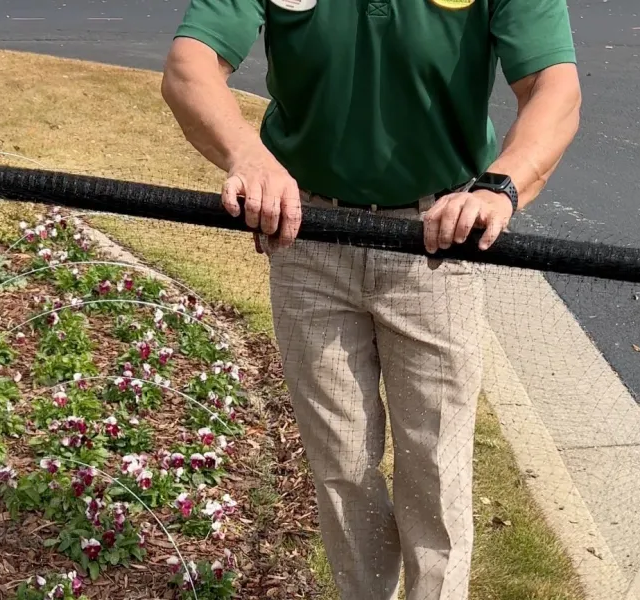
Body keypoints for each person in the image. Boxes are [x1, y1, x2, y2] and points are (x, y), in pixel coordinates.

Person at [161, 0, 581, 597]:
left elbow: (553, 86)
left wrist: (499, 186)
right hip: (310, 238)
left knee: (435, 468)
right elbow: (189, 65)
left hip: (437, 237)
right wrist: (249, 158)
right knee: (341, 469)